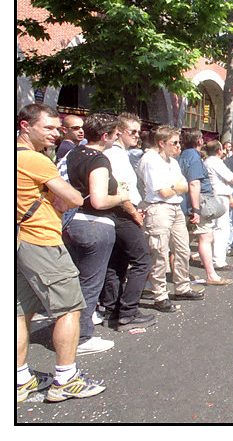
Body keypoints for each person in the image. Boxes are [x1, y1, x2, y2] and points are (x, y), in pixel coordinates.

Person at [16, 103, 106, 402]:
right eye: (48, 128)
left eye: (57, 128)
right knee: (69, 308)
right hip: (41, 239)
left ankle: (19, 379)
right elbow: (74, 198)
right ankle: (66, 379)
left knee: (20, 312)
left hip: (19, 241)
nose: (55, 133)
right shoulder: (35, 160)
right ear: (25, 126)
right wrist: (62, 194)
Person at [64, 113, 129, 355]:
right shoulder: (99, 160)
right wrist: (122, 196)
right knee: (90, 283)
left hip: (72, 222)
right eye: (115, 134)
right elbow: (100, 200)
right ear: (105, 136)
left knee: (75, 281)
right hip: (95, 224)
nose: (117, 138)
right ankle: (82, 337)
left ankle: (73, 329)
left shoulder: (73, 153)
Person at [100, 113, 155, 331]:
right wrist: (134, 212)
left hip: (119, 212)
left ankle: (113, 309)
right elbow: (120, 189)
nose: (137, 135)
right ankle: (128, 312)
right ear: (119, 131)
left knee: (117, 263)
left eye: (138, 132)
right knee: (142, 261)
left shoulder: (117, 153)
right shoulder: (115, 154)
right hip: (123, 212)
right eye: (132, 131)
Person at [139, 125, 204, 309]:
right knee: (159, 251)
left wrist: (174, 188)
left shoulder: (173, 162)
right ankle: (159, 294)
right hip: (159, 209)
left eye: (179, 142)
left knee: (182, 248)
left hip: (175, 207)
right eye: (174, 143)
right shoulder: (151, 160)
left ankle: (182, 287)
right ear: (162, 143)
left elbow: (182, 185)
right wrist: (175, 188)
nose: (178, 146)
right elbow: (164, 192)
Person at [178, 129, 231, 285]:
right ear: (199, 141)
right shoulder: (194, 157)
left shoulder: (183, 155)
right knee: (205, 237)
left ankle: (182, 274)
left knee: (185, 240)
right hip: (199, 201)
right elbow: (194, 183)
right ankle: (211, 274)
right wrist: (196, 210)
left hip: (189, 201)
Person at [203, 140, 233, 272]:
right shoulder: (216, 162)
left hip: (211, 195)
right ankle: (218, 260)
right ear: (219, 150)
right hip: (220, 195)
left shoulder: (206, 162)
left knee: (212, 228)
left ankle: (211, 257)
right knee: (221, 228)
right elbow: (232, 178)